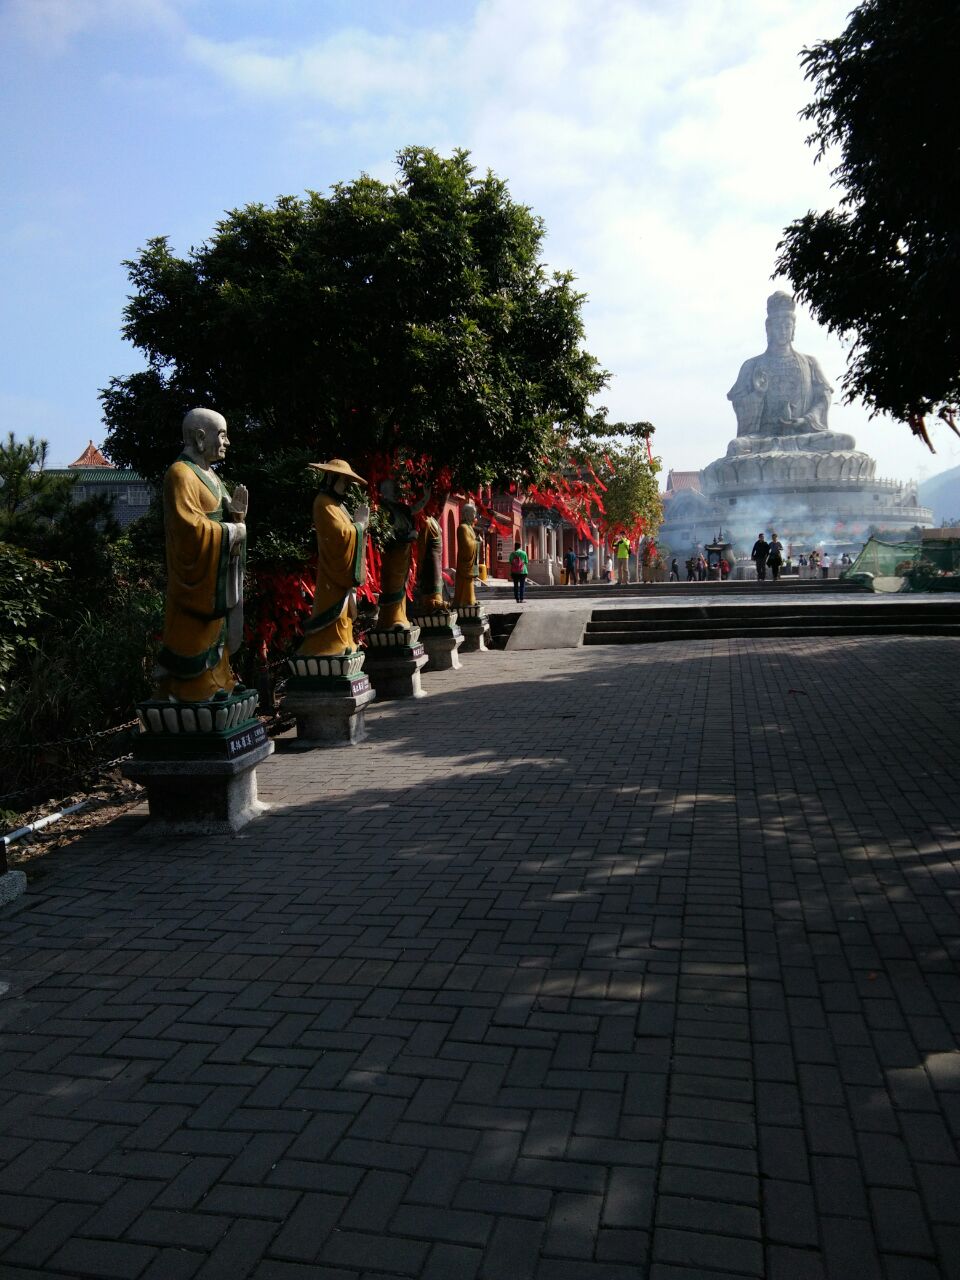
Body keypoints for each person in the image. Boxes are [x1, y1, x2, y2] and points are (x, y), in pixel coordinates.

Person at [154, 408, 248, 703]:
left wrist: (236, 517)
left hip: (216, 575)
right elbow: (189, 529)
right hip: (195, 581)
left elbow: (219, 522)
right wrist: (232, 532)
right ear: (199, 437)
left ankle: (221, 680)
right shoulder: (180, 473)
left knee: (217, 635)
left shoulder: (212, 477)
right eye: (222, 435)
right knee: (195, 637)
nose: (227, 442)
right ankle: (192, 690)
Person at [298, 459, 369, 657]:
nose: (346, 487)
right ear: (331, 478)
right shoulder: (323, 503)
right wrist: (360, 526)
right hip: (332, 572)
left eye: (348, 483)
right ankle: (327, 645)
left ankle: (343, 641)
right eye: (343, 482)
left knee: (345, 616)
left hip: (340, 574)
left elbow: (348, 532)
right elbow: (339, 536)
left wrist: (358, 527)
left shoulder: (338, 506)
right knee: (333, 611)